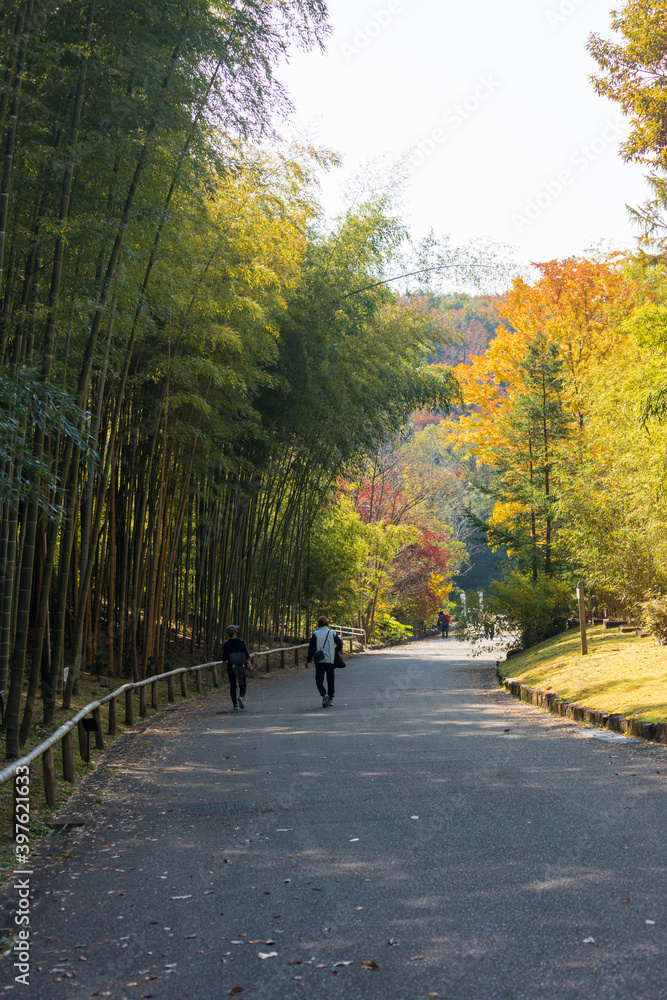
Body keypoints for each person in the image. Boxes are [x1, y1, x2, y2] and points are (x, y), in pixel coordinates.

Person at [306, 615, 344, 708]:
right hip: (330, 660)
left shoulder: (315, 634)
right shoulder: (332, 633)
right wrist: (335, 651)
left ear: (318, 624)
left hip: (319, 660)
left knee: (319, 680)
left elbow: (312, 648)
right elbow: (339, 644)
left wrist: (308, 660)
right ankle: (330, 698)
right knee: (330, 679)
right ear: (327, 623)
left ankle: (324, 694)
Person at [222, 624, 252, 710]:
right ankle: (241, 697)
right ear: (234, 632)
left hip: (231, 666)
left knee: (233, 685)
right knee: (243, 684)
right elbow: (247, 655)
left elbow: (224, 659)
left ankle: (235, 704)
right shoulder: (241, 641)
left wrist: (223, 670)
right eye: (236, 630)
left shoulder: (226, 644)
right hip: (241, 666)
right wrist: (250, 665)